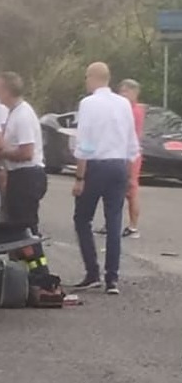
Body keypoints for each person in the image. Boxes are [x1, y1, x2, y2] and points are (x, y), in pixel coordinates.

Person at [71, 62, 140, 294]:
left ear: (93, 77)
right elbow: (131, 140)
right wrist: (129, 172)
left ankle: (92, 272)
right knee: (114, 222)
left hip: (96, 166)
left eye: (86, 77)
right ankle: (112, 278)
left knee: (82, 218)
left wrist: (79, 177)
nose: (85, 82)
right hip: (119, 165)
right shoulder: (123, 104)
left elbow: (85, 142)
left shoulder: (88, 104)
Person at [0, 72, 52, 280]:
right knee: (19, 228)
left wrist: (2, 153)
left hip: (27, 176)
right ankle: (26, 274)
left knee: (25, 229)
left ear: (7, 89)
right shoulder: (14, 113)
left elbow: (27, 152)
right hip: (19, 176)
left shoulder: (23, 115)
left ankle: (40, 275)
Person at [119, 78, 145, 238]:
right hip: (125, 153)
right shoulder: (128, 109)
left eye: (126, 91)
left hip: (130, 155)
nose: (122, 94)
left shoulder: (134, 111)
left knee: (131, 190)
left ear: (134, 92)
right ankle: (112, 223)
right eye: (121, 91)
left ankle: (133, 227)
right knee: (117, 190)